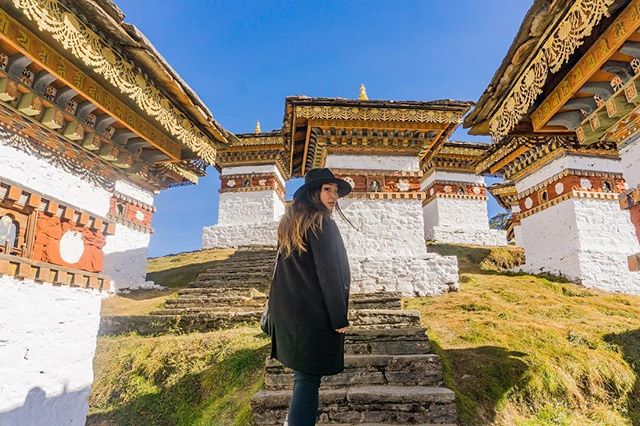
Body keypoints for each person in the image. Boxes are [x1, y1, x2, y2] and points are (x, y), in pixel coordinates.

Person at [268, 168, 353, 426]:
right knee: (308, 379)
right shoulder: (322, 223)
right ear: (314, 193)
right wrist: (339, 317)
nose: (333, 196)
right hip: (313, 314)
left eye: (335, 190)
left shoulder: (293, 224)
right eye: (327, 189)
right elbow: (330, 273)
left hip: (290, 313)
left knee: (303, 377)